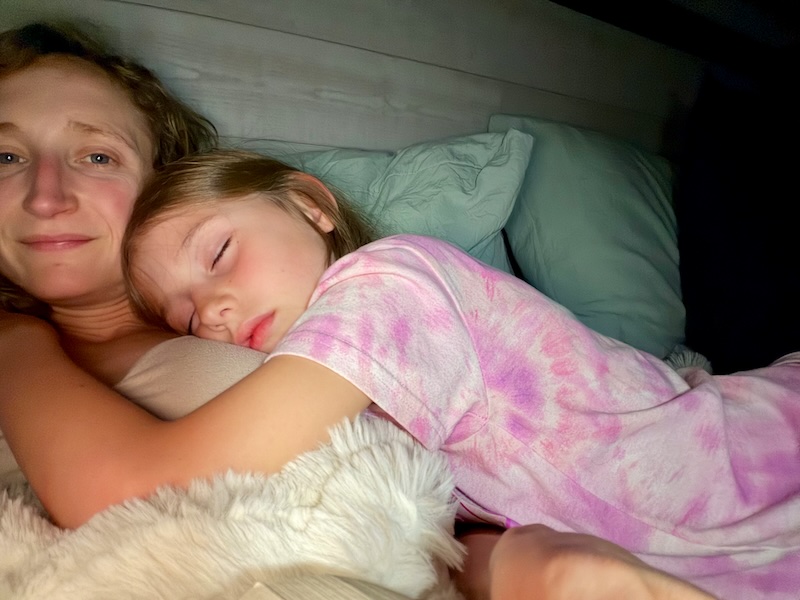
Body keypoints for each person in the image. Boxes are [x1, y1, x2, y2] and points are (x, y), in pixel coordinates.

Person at [0, 21, 773, 600]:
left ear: (310, 205)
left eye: (97, 153)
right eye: (3, 155)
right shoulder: (327, 346)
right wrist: (525, 564)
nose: (45, 193)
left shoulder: (391, 284)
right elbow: (460, 508)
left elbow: (149, 482)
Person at [119, 149, 800, 600]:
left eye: (219, 254)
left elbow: (167, 472)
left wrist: (31, 340)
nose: (210, 314)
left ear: (309, 206)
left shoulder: (387, 281)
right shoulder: (356, 394)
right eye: (182, 318)